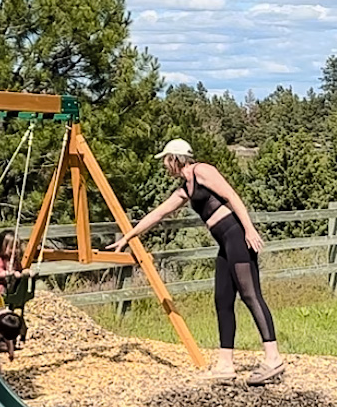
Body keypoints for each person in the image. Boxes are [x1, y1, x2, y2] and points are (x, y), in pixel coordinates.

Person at [112, 138, 285, 385]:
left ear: (174, 158)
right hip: (224, 243)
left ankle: (273, 358)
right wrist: (128, 237)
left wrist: (249, 229)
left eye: (165, 160)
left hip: (236, 236)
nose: (164, 165)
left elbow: (232, 196)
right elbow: (159, 213)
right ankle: (225, 364)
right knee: (222, 300)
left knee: (250, 295)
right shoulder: (186, 188)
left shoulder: (202, 170)